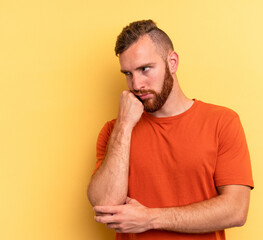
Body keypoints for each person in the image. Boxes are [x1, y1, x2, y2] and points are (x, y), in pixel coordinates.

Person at [87, 19, 254, 240]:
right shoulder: (114, 132)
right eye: (127, 74)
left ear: (172, 62)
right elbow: (105, 206)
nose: (136, 84)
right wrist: (125, 125)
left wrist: (150, 218)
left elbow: (236, 210)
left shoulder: (222, 122)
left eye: (145, 69)